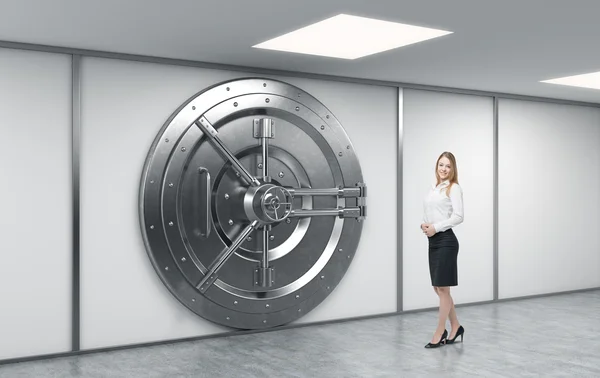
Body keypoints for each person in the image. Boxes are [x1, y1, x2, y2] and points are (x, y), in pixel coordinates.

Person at [421, 151, 465, 348]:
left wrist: (436, 228)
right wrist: (425, 225)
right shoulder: (433, 189)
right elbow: (431, 213)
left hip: (446, 241)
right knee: (438, 288)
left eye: (448, 166)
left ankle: (440, 332)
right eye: (441, 165)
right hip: (433, 241)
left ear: (452, 168)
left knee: (443, 289)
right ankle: (456, 326)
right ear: (436, 166)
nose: (444, 169)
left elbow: (458, 216)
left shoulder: (453, 188)